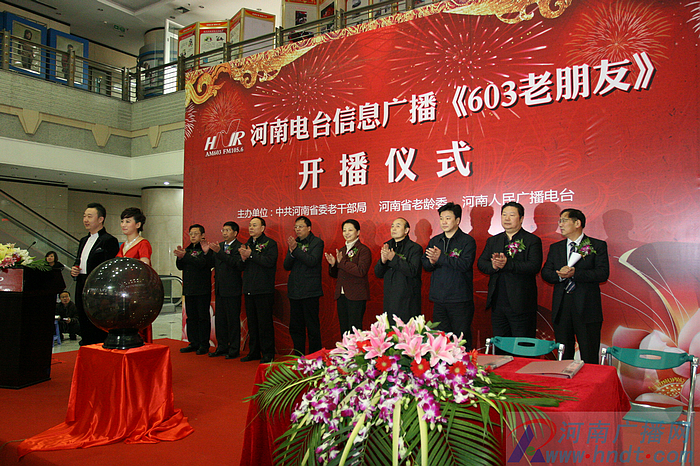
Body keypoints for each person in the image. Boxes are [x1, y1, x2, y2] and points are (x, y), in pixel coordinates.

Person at [541, 208, 609, 364]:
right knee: (564, 355)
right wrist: (560, 275)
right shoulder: (556, 248)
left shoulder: (597, 245)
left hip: (587, 307)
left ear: (577, 223)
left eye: (564, 221)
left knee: (589, 355)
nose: (560, 225)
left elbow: (602, 273)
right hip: (562, 307)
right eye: (559, 221)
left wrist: (575, 273)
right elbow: (546, 273)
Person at [477, 202, 542, 340]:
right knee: (500, 343)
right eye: (504, 215)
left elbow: (534, 266)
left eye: (512, 215)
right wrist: (494, 266)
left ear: (521, 218)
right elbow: (481, 263)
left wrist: (508, 264)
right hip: (498, 302)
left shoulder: (532, 240)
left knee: (522, 344)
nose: (507, 218)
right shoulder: (493, 241)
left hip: (522, 303)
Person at [421, 202, 476, 350]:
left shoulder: (467, 241)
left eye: (448, 218)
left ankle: (465, 364)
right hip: (439, 299)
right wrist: (432, 261)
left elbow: (465, 264)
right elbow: (425, 265)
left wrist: (441, 258)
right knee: (441, 340)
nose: (444, 222)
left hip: (460, 300)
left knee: (461, 340)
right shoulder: (435, 241)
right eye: (441, 218)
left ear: (457, 220)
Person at [71, 202, 119, 345]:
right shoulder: (83, 240)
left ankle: (98, 346)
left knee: (96, 320)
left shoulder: (109, 240)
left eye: (89, 216)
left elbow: (110, 267)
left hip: (98, 288)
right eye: (84, 216)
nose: (85, 219)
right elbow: (79, 261)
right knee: (82, 316)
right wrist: (75, 270)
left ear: (100, 219)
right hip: (81, 283)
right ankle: (86, 345)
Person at [239, 217, 278, 364]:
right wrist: (243, 259)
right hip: (249, 289)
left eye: (254, 225)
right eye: (250, 225)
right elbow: (241, 267)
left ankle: (268, 353)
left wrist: (251, 255)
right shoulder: (247, 244)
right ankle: (254, 352)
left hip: (263, 290)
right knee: (252, 323)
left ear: (262, 228)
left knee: (264, 324)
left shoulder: (270, 244)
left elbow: (269, 262)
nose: (251, 228)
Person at [283, 216, 324, 356]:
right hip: (295, 291)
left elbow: (312, 261)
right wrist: (291, 252)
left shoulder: (317, 242)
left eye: (300, 226)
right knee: (296, 327)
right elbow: (286, 266)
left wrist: (296, 250)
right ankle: (298, 356)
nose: (297, 229)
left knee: (312, 327)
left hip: (310, 291)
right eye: (296, 227)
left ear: (309, 228)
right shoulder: (295, 243)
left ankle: (315, 357)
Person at [325, 219, 371, 335]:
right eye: (344, 230)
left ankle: (355, 348)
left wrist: (342, 262)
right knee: (344, 329)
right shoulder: (342, 250)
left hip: (356, 295)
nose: (347, 233)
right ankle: (345, 347)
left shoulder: (363, 250)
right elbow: (335, 274)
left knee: (355, 330)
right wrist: (333, 265)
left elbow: (361, 271)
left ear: (358, 232)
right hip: (341, 294)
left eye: (350, 230)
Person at [175, 224, 214, 355]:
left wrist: (185, 256)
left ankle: (204, 344)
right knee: (191, 317)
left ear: (202, 235)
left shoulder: (206, 250)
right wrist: (180, 257)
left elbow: (202, 263)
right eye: (191, 233)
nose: (192, 236)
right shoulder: (187, 250)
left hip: (202, 289)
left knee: (203, 317)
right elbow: (180, 267)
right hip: (189, 289)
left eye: (196, 233)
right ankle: (193, 342)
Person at [374, 217, 422, 323]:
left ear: (406, 230)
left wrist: (394, 258)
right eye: (392, 226)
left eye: (398, 226)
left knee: (406, 331)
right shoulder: (387, 246)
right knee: (390, 330)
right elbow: (378, 273)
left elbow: (413, 271)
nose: (394, 229)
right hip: (390, 299)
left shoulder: (415, 248)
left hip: (407, 300)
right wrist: (383, 261)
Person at [116, 207, 153, 342]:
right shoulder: (123, 245)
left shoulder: (143, 243)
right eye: (122, 221)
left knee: (138, 321)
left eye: (128, 221)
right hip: (125, 290)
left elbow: (144, 265)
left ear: (138, 225)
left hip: (138, 290)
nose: (123, 225)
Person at [207, 221, 243, 359]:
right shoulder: (219, 246)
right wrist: (207, 253)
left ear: (235, 233)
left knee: (232, 321)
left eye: (228, 230)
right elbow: (211, 264)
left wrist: (220, 253)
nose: (224, 233)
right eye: (223, 230)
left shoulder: (240, 247)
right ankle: (221, 347)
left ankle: (234, 349)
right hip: (219, 289)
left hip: (233, 289)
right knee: (220, 320)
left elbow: (237, 264)